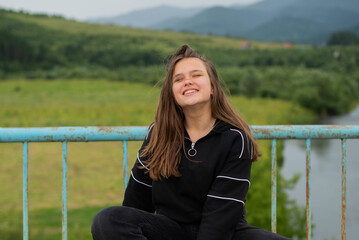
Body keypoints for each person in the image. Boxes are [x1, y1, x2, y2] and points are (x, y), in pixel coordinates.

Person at [91, 45, 290, 240]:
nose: (187, 81)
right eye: (178, 79)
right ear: (172, 92)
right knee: (108, 220)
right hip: (171, 230)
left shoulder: (235, 139)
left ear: (212, 87)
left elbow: (220, 216)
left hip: (225, 231)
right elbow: (135, 204)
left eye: (196, 75)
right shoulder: (158, 134)